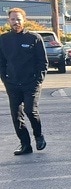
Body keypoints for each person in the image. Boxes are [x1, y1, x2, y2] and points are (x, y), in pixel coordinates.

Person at [0, 8, 47, 155]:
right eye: (13, 19)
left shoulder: (34, 38)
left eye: (18, 19)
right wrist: (5, 80)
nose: (16, 22)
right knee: (16, 116)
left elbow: (43, 63)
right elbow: (1, 63)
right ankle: (25, 145)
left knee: (30, 110)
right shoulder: (3, 40)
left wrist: (38, 80)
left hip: (30, 83)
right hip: (13, 84)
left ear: (24, 20)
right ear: (9, 21)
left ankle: (39, 136)